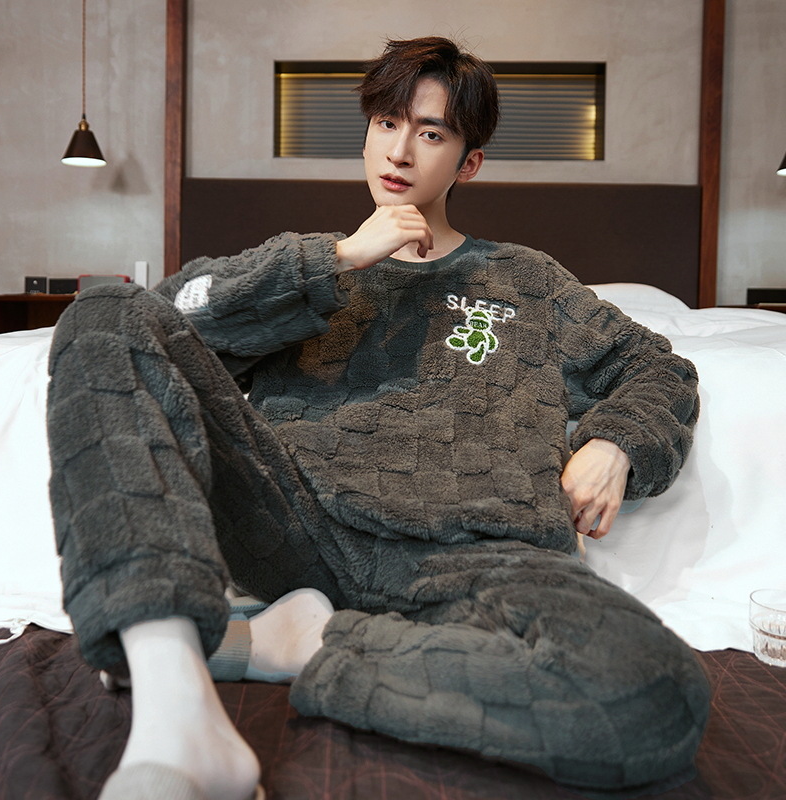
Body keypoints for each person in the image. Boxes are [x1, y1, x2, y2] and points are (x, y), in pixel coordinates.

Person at [47, 36, 710, 800]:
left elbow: (658, 368)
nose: (400, 150)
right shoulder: (307, 268)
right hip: (295, 529)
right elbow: (167, 316)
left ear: (468, 163)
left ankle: (292, 645)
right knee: (103, 310)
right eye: (388, 123)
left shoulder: (528, 281)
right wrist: (336, 260)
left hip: (485, 559)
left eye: (430, 133)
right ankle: (175, 711)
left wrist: (615, 443)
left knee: (658, 691)